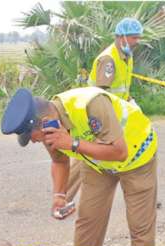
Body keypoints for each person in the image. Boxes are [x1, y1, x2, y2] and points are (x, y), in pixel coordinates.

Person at [1, 86, 158, 246]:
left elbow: (119, 151)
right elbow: (60, 162)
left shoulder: (92, 104)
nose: (35, 143)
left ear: (44, 122)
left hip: (137, 158)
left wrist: (72, 143)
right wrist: (59, 195)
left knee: (140, 230)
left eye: (34, 137)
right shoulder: (50, 128)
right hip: (98, 163)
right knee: (87, 222)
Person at [60, 18, 144, 215]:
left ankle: (140, 193)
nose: (137, 41)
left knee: (123, 151)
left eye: (138, 37)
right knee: (85, 157)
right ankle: (62, 198)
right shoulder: (109, 59)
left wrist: (131, 102)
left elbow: (122, 86)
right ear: (121, 36)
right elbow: (100, 94)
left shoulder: (126, 55)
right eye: (133, 37)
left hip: (119, 114)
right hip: (100, 116)